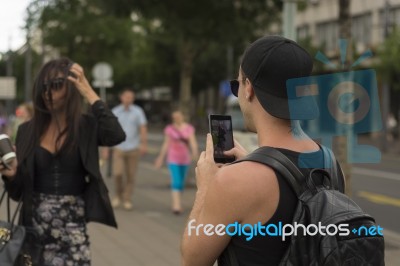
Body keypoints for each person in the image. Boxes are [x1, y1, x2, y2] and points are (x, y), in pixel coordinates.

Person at [181, 36, 344, 265]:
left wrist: (205, 190)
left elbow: (192, 259)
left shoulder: (233, 182)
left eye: (236, 85)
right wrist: (256, 163)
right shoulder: (330, 163)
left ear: (248, 88)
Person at [0, 57, 126, 265]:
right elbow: (18, 193)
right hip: (33, 232)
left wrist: (87, 89)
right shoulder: (27, 131)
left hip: (73, 230)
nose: (49, 93)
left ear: (71, 87)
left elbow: (116, 135)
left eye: (57, 85)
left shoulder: (85, 126)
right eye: (44, 87)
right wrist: (12, 176)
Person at [154, 110, 198, 214]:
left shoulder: (189, 128)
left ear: (183, 117)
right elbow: (166, 144)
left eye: (178, 116)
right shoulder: (169, 129)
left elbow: (193, 142)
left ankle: (177, 201)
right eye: (174, 117)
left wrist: (195, 154)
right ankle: (176, 206)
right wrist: (160, 158)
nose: (177, 119)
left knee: (181, 183)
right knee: (176, 181)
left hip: (185, 159)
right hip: (173, 158)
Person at [110, 89, 148, 210]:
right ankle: (117, 195)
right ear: (121, 97)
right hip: (119, 147)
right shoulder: (115, 111)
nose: (128, 99)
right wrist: (106, 147)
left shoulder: (138, 111)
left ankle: (127, 198)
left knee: (131, 175)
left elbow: (142, 128)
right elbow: (110, 130)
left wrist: (144, 144)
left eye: (130, 97)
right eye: (126, 97)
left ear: (133, 99)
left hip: (133, 147)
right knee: (118, 173)